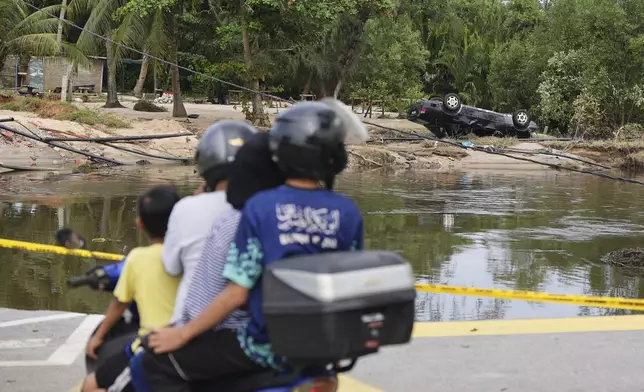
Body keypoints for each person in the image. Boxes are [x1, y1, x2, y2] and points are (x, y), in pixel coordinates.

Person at [141, 99, 367, 391]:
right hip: (322, 345)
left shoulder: (260, 208)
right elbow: (349, 286)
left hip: (263, 345)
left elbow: (237, 293)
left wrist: (183, 334)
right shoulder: (348, 213)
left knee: (153, 363)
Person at [81, 185, 181, 392]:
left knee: (91, 385)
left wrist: (98, 336)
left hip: (152, 346)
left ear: (140, 223)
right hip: (196, 343)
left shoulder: (137, 258)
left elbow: (119, 303)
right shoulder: (192, 253)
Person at [161, 121, 258, 325]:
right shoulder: (266, 209)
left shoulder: (187, 207)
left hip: (190, 326)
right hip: (253, 329)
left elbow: (171, 267)